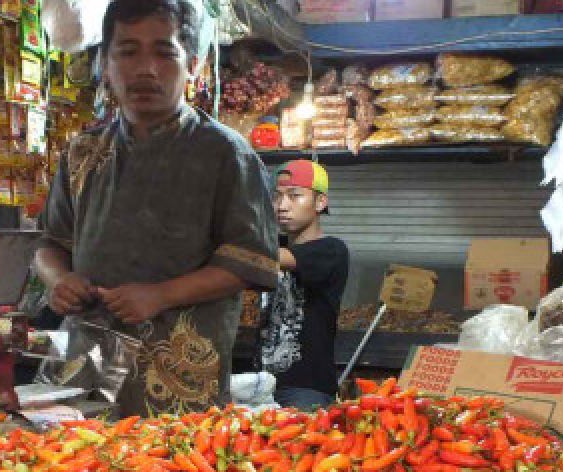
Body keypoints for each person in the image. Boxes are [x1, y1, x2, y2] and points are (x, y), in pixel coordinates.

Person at [32, 0, 279, 417]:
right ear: (105, 64)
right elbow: (48, 243)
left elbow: (250, 262)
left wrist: (160, 295)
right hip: (85, 366)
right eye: (127, 51)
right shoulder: (82, 150)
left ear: (192, 64)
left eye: (164, 53)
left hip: (178, 377)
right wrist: (58, 280)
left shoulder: (224, 153)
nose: (146, 68)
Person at [259, 159, 349, 411]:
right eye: (277, 197)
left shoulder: (331, 250)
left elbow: (270, 258)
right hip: (262, 384)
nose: (282, 205)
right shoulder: (271, 246)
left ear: (320, 202)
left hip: (306, 390)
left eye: (294, 196)